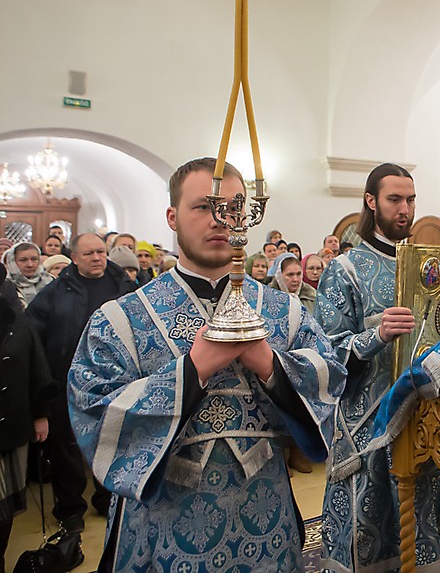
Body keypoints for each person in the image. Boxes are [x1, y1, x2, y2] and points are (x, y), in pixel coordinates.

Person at [68, 158, 346, 571]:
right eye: (203, 207)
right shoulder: (120, 319)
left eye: (234, 208)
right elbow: (94, 411)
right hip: (161, 530)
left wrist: (271, 365)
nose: (221, 220)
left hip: (266, 523)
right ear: (172, 217)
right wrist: (192, 369)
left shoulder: (284, 311)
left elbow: (330, 380)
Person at [317, 163, 440, 572]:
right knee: (371, 531)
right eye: (394, 199)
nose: (405, 209)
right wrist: (376, 335)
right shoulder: (346, 270)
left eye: (410, 200)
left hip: (428, 421)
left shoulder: (434, 266)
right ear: (371, 201)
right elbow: (324, 355)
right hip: (369, 425)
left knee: (427, 525)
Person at [26, 233, 135, 540]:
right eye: (88, 253)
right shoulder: (57, 290)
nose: (97, 258)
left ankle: (107, 499)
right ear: (74, 258)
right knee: (66, 449)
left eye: (100, 251)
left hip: (115, 380)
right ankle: (71, 510)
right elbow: (32, 333)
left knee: (112, 441)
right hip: (67, 380)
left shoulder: (124, 285)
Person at [0, 279, 57, 572]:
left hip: (12, 425)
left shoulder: (18, 322)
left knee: (5, 504)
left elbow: (37, 369)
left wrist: (40, 414)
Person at [7, 242, 53, 307]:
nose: (30, 265)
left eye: (34, 259)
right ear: (13, 262)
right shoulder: (4, 287)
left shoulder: (51, 283)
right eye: (23, 260)